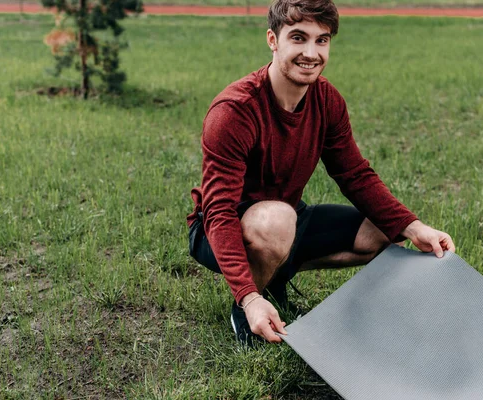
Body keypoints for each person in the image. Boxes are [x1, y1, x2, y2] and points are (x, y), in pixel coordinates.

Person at [186, 0, 455, 347]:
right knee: (278, 221)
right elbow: (220, 213)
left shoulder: (327, 101)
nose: (311, 53)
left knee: (383, 230)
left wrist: (414, 227)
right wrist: (248, 297)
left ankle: (276, 273)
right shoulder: (235, 111)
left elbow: (354, 174)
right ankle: (249, 309)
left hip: (286, 220)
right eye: (298, 38)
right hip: (218, 230)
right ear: (273, 39)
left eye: (321, 40)